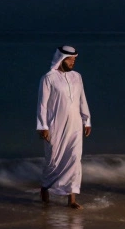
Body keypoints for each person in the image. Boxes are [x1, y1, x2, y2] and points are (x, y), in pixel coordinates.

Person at [37, 45, 92, 209]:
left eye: (74, 59)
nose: (73, 62)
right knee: (53, 160)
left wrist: (86, 120)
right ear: (61, 59)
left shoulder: (77, 77)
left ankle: (72, 199)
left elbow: (82, 99)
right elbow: (42, 105)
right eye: (70, 59)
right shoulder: (48, 78)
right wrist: (43, 126)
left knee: (74, 159)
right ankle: (45, 187)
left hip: (75, 125)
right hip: (56, 126)